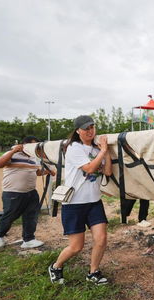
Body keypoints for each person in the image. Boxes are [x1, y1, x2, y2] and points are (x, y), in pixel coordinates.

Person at [48, 115, 112, 285]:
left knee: (101, 239)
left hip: (94, 202)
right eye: (86, 129)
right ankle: (56, 266)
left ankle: (93, 272)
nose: (90, 131)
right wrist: (104, 151)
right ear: (78, 131)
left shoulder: (98, 149)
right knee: (76, 247)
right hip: (74, 204)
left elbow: (107, 172)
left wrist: (107, 152)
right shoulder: (74, 148)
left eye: (92, 127)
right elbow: (90, 168)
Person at [0, 136, 54, 249]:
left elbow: (36, 172)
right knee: (10, 215)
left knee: (31, 216)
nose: (35, 148)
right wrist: (13, 151)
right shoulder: (12, 154)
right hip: (13, 192)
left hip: (30, 192)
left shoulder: (33, 158)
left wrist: (47, 171)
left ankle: (29, 239)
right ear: (24, 145)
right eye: (32, 145)